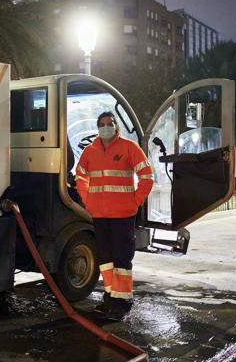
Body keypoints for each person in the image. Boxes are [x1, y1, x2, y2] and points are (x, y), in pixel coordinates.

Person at [75, 111, 154, 320]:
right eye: (102, 124)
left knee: (121, 258)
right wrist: (87, 200)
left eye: (109, 123)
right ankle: (110, 297)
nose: (105, 126)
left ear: (116, 126)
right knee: (106, 258)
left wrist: (134, 201)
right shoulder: (90, 151)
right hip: (100, 214)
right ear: (97, 127)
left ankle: (123, 300)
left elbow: (147, 176)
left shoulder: (129, 147)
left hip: (123, 214)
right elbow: (80, 176)